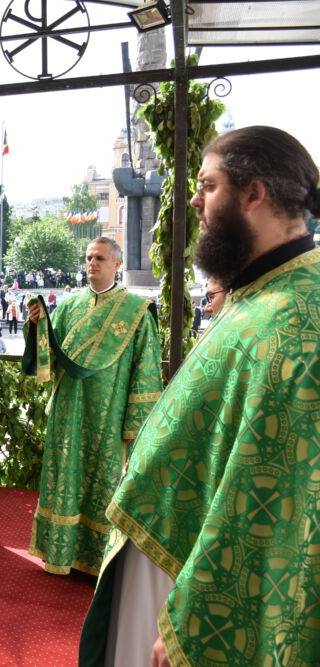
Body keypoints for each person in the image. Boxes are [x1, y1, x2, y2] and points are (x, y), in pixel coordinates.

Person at [80, 126, 320, 667]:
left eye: (208, 185)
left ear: (253, 194)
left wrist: (199, 614)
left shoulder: (297, 321)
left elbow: (270, 496)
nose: (193, 199)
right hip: (166, 553)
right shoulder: (262, 291)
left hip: (187, 588)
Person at [22, 237, 163, 576]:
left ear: (117, 264)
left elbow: (145, 372)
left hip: (110, 417)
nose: (92, 263)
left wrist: (135, 427)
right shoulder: (68, 307)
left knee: (103, 483)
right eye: (88, 258)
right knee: (65, 479)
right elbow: (50, 362)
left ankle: (97, 561)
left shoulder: (137, 312)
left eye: (99, 258)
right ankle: (61, 555)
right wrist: (37, 326)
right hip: (68, 410)